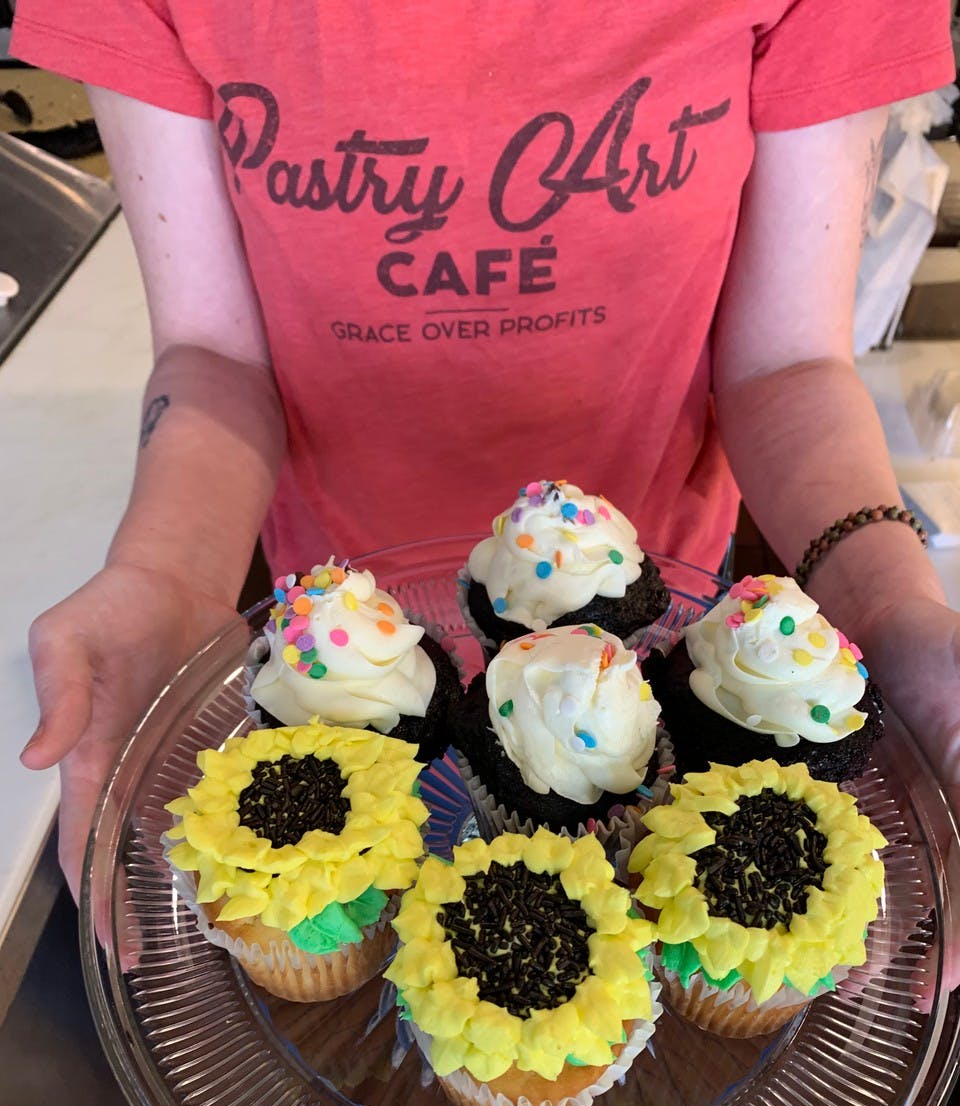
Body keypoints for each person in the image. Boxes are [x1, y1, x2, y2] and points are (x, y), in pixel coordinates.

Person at [10, 2, 960, 994]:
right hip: (334, 665)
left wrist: (887, 603)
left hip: (656, 668)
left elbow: (788, 363)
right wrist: (165, 569)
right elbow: (213, 353)